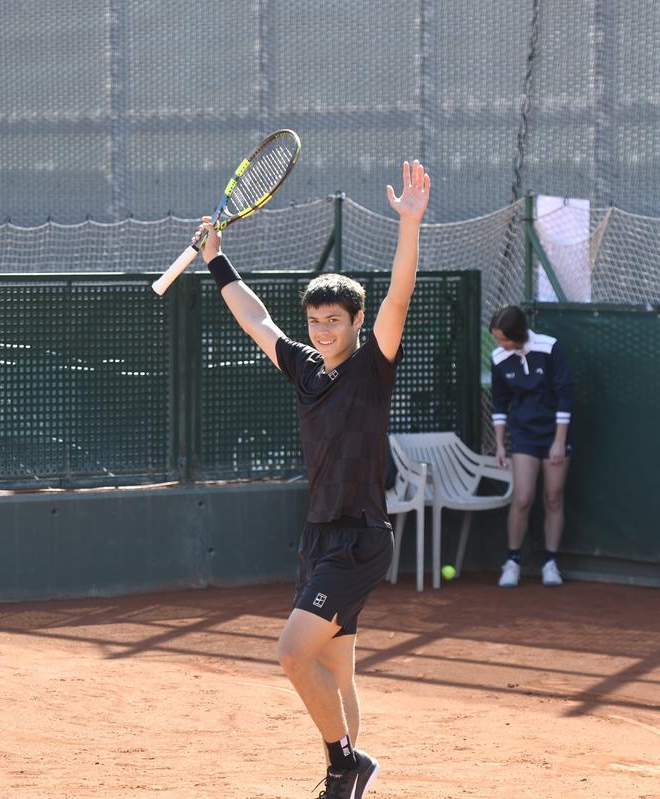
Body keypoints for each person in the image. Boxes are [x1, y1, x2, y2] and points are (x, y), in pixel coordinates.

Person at [193, 160, 430, 798]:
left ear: (356, 323)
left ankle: (344, 763)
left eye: (335, 321)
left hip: (359, 539)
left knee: (292, 654)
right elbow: (256, 320)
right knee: (338, 673)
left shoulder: (372, 367)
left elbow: (399, 296)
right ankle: (350, 777)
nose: (323, 331)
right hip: (319, 537)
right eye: (316, 321)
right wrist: (216, 259)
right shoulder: (305, 368)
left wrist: (409, 225)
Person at [489, 305, 574, 588]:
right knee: (523, 497)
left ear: (518, 334)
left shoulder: (550, 348)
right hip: (523, 435)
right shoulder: (499, 358)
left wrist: (559, 441)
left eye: (504, 338)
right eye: (497, 338)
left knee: (553, 497)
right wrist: (500, 444)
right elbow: (499, 403)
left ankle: (551, 563)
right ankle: (512, 561)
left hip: (555, 434)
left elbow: (564, 395)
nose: (500, 344)